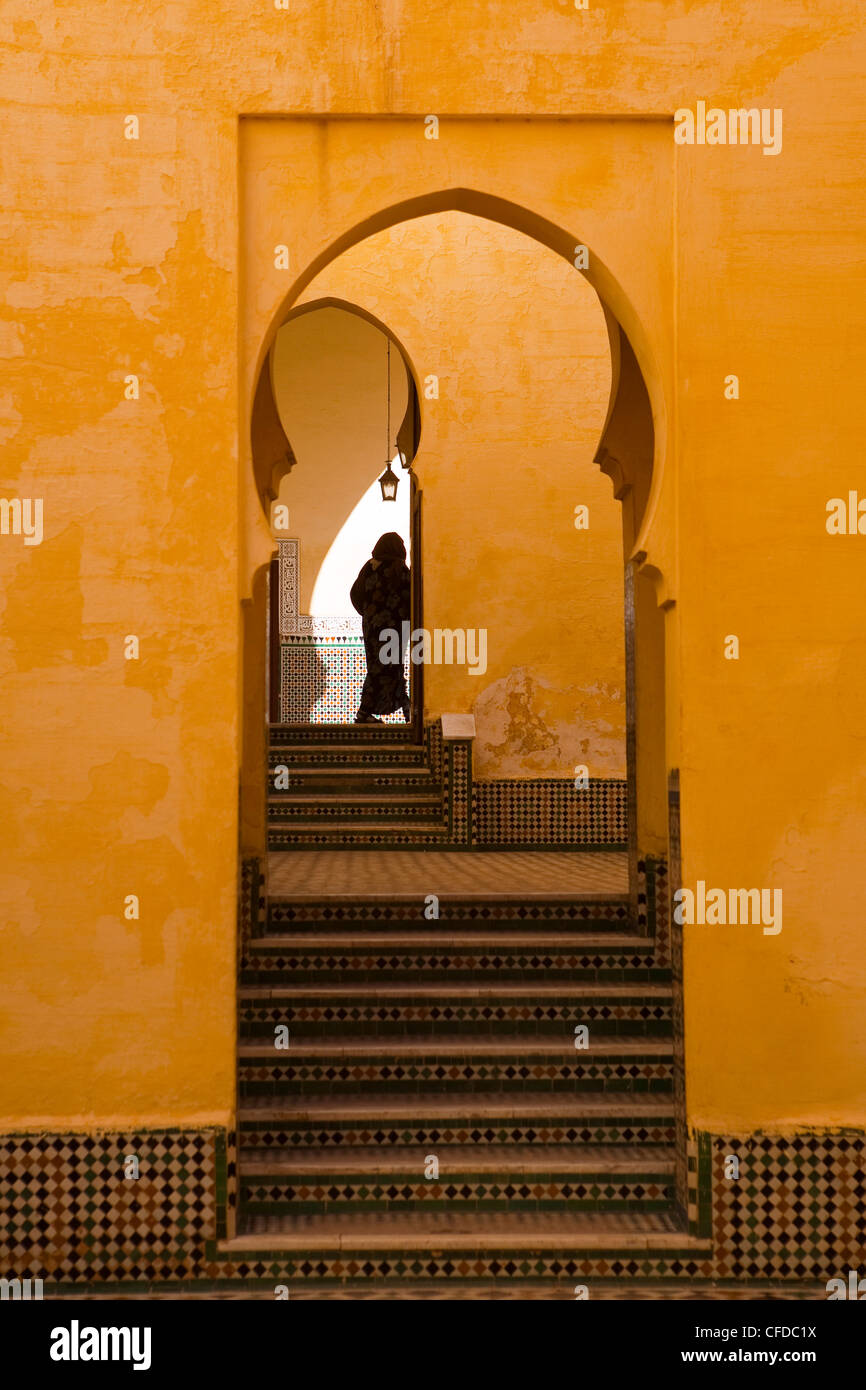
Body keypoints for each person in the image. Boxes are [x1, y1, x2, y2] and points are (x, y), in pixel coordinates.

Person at [350, 532, 411, 723]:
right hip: (396, 629)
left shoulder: (369, 567)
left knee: (377, 667)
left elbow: (355, 593)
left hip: (372, 628)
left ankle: (405, 707)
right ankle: (369, 711)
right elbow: (410, 595)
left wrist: (367, 613)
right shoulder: (399, 568)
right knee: (393, 667)